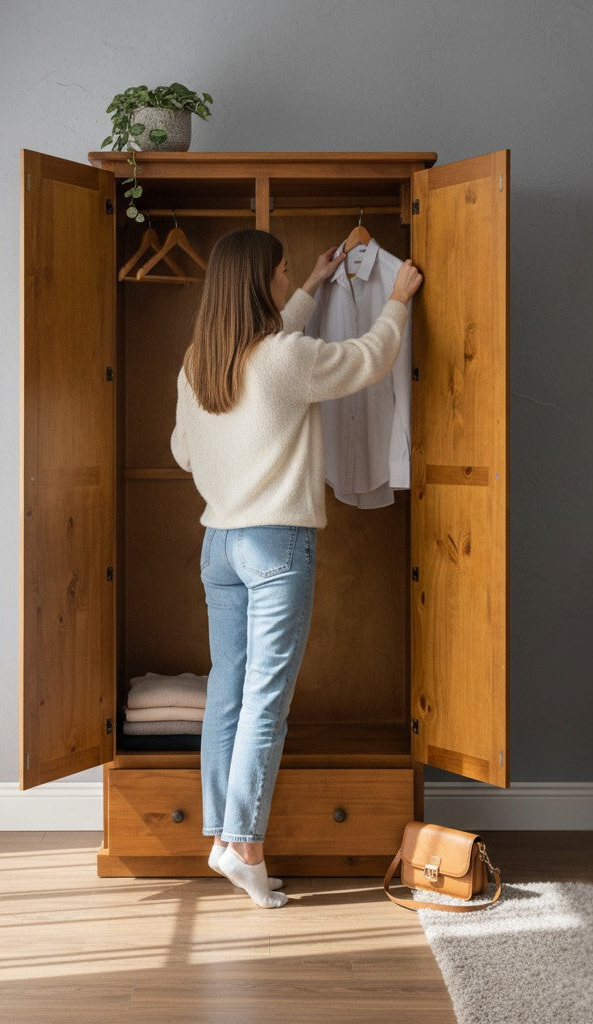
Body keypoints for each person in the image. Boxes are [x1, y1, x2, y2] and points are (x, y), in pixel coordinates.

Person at [170, 228, 422, 908]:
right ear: (262, 282)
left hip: (219, 545)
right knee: (266, 699)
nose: (287, 279)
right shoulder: (284, 359)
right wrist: (397, 300)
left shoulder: (199, 364)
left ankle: (222, 835)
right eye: (284, 272)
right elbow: (368, 358)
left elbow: (184, 454)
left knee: (228, 692)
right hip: (276, 543)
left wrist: (313, 285)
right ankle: (246, 847)